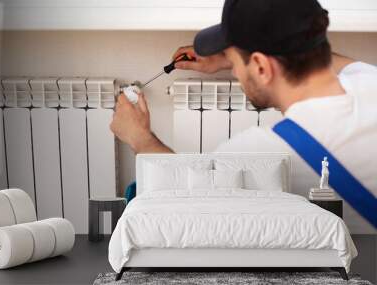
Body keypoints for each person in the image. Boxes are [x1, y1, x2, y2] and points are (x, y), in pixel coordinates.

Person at [110, 0, 377, 233]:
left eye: (236, 63)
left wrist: (140, 138)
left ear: (261, 65)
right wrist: (235, 57)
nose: (235, 72)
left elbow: (186, 199)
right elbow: (326, 58)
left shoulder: (261, 152)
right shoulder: (368, 79)